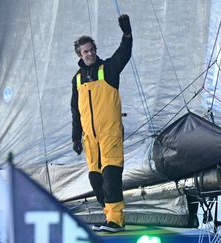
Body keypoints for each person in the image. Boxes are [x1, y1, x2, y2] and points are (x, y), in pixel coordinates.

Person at [70, 14, 132, 233]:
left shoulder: (108, 69)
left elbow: (123, 55)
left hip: (109, 134)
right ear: (80, 54)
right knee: (95, 179)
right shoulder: (77, 79)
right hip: (90, 139)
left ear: (95, 50)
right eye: (85, 51)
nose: (89, 54)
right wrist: (76, 137)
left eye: (91, 49)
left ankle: (116, 219)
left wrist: (126, 35)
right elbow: (75, 111)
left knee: (110, 175)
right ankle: (110, 216)